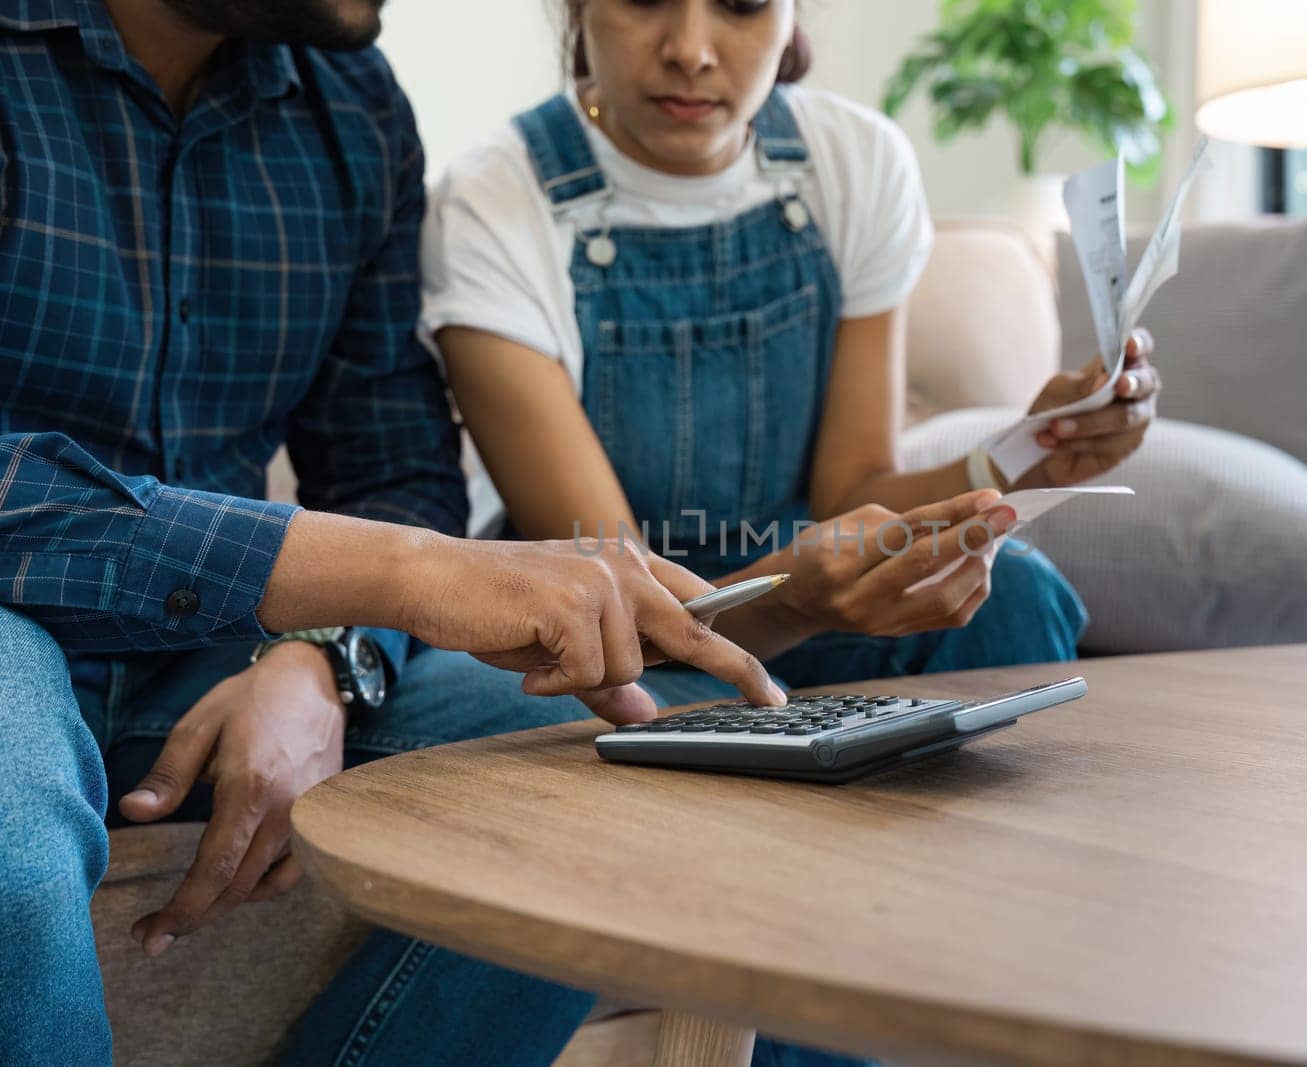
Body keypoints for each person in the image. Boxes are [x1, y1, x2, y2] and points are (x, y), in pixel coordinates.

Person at [0, 1, 994, 1062]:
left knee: (632, 769)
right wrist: (398, 577)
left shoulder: (351, 102)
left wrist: (323, 653)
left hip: (233, 635)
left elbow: (390, 466)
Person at [424, 0, 1163, 703]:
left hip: (800, 594)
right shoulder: (494, 202)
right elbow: (624, 604)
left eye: (741, 3)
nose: (690, 50)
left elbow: (853, 493)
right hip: (600, 635)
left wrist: (1031, 445)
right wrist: (792, 600)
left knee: (1016, 591)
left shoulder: (856, 160)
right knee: (503, 710)